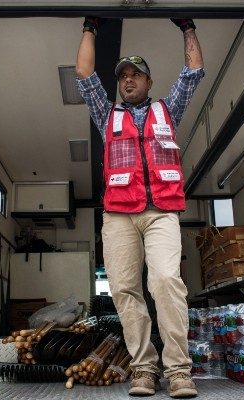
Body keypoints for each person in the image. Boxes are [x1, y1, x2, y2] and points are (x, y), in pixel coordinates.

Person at [76, 17, 204, 398]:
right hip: (118, 215)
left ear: (149, 82)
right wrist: (89, 28)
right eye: (123, 76)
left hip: (161, 211)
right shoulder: (107, 115)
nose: (128, 80)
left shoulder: (168, 111)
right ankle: (144, 369)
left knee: (165, 281)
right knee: (124, 289)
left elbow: (193, 71)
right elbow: (84, 74)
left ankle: (179, 371)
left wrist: (188, 28)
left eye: (136, 75)